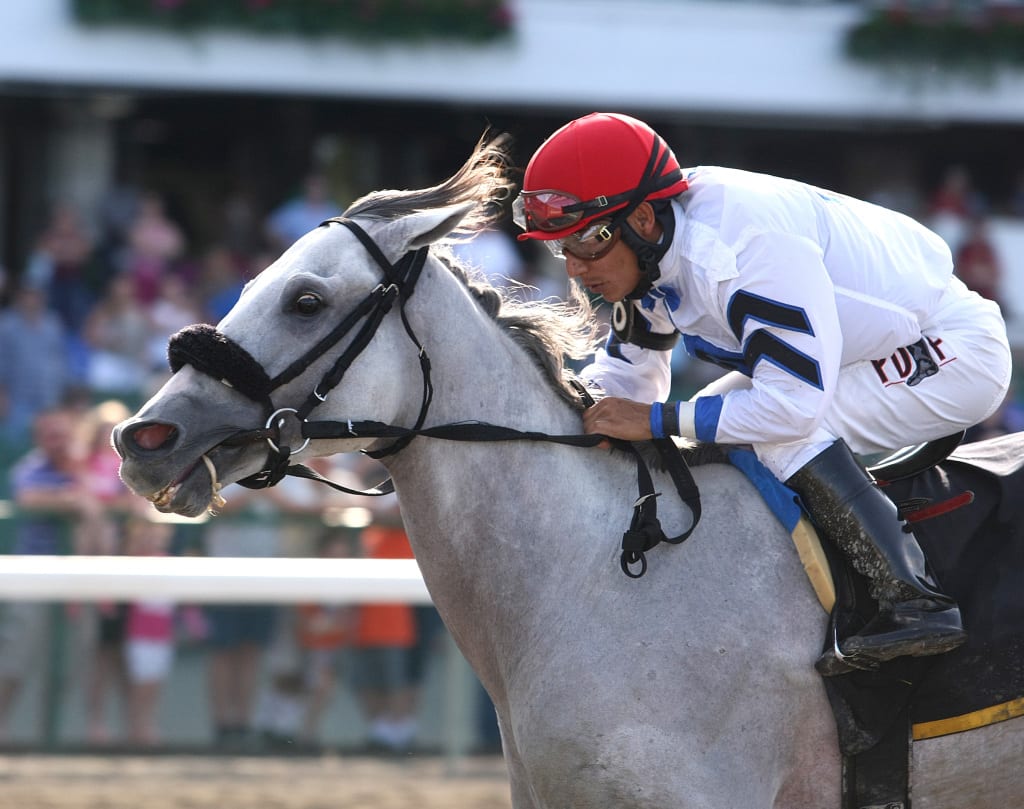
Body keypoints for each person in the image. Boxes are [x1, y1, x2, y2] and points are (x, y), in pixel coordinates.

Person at [513, 112, 1012, 676]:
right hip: (859, 354)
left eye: (587, 241)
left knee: (777, 431)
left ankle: (914, 603)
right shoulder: (646, 250)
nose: (577, 269)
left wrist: (658, 420)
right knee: (722, 420)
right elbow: (626, 382)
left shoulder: (741, 250)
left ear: (643, 218)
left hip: (952, 351)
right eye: (562, 249)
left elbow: (790, 408)